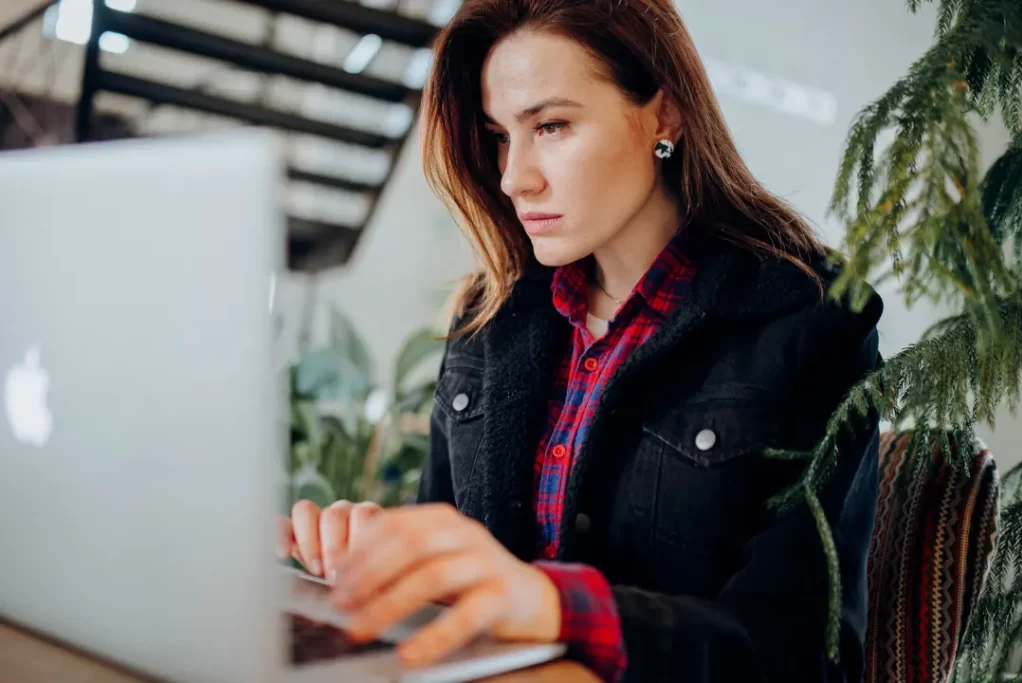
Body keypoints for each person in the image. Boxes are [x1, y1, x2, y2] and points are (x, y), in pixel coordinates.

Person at [279, 1, 884, 681]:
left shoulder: (811, 320)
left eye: (552, 125)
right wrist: (379, 556)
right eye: (501, 135)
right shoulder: (489, 317)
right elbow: (449, 574)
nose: (513, 177)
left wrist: (555, 605)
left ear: (666, 113)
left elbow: (801, 652)